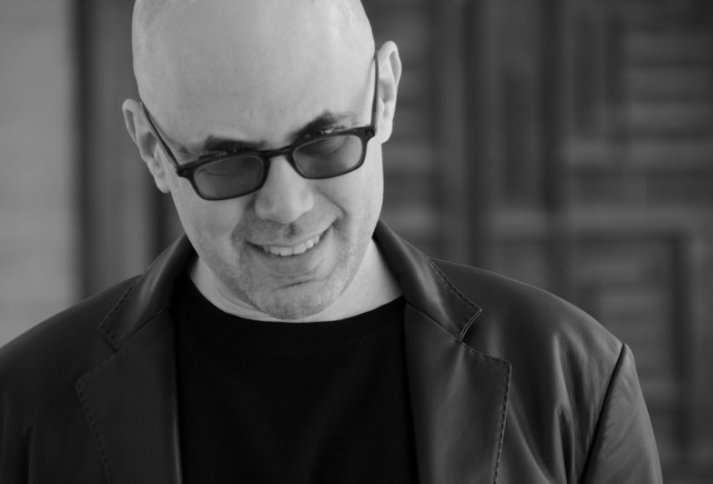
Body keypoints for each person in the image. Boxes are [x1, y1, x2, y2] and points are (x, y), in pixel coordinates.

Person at [0, 0, 663, 482]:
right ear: (152, 148)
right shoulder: (22, 405)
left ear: (385, 95)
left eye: (324, 143)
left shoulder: (576, 377)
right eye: (228, 162)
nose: (286, 207)